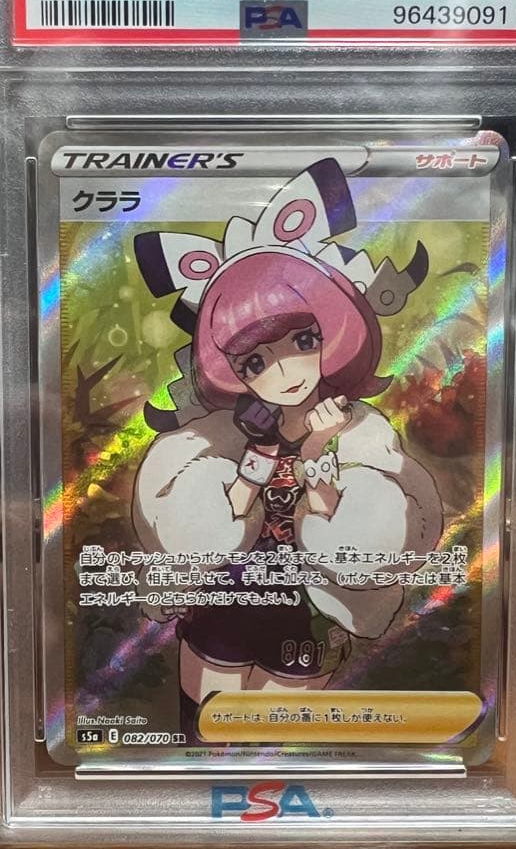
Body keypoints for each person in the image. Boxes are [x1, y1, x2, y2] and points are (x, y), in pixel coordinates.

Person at [132, 157, 442, 742]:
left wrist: (321, 452)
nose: (284, 371)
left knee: (271, 744)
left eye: (303, 340)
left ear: (332, 332)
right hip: (225, 599)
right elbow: (195, 533)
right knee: (206, 737)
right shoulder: (214, 435)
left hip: (311, 610)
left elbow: (364, 546)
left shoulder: (363, 433)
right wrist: (254, 462)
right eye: (255, 360)